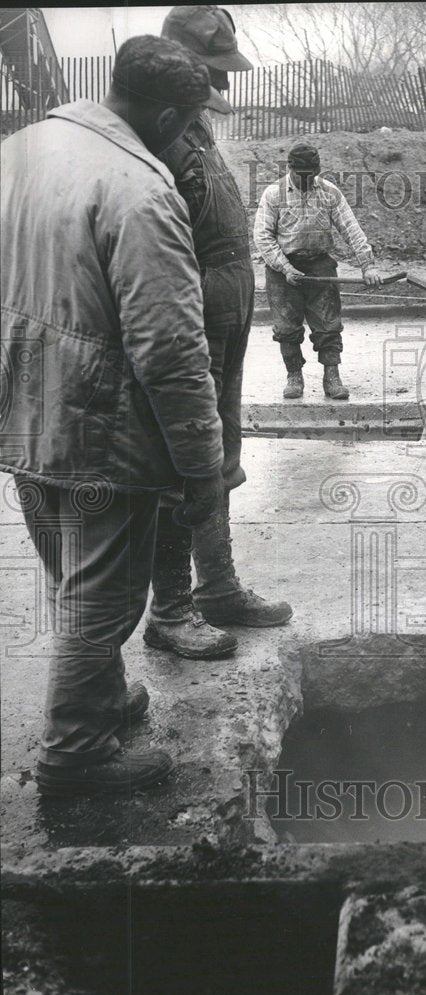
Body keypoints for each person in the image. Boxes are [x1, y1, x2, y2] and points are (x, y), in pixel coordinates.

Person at [0, 36, 228, 795]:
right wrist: (201, 468)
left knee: (70, 572)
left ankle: (99, 699)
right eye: (191, 121)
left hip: (22, 411)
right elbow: (168, 349)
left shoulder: (24, 146)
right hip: (99, 428)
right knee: (102, 594)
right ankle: (77, 752)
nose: (193, 136)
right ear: (164, 113)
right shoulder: (140, 189)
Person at [142, 5, 293, 661]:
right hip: (187, 320)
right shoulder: (158, 135)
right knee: (183, 461)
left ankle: (219, 588)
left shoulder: (198, 129)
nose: (217, 86)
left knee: (218, 453)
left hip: (223, 320)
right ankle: (171, 612)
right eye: (208, 71)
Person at [254, 139, 382, 400]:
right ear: (289, 168)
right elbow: (263, 237)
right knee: (287, 328)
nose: (306, 179)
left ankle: (332, 377)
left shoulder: (329, 192)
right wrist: (285, 267)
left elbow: (351, 228)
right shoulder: (273, 194)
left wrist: (367, 265)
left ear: (318, 169)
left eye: (312, 174)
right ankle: (294, 375)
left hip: (319, 265)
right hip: (282, 270)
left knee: (328, 325)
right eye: (301, 174)